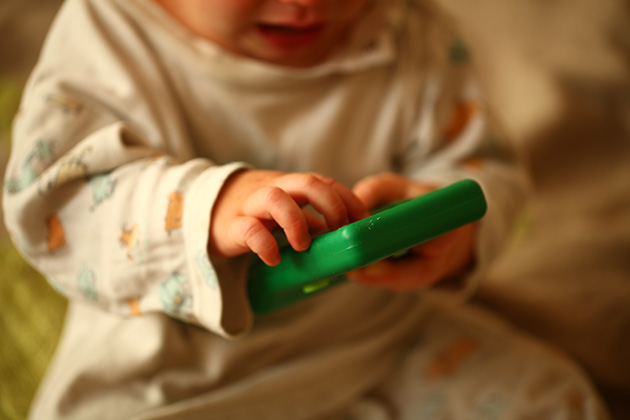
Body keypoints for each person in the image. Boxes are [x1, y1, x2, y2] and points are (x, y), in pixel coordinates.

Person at [3, 0, 608, 418]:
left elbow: (485, 167)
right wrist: (211, 208)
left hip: (377, 339)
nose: (307, 2)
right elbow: (54, 202)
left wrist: (446, 228)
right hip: (173, 378)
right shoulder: (109, 34)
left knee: (554, 399)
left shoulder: (405, 29)